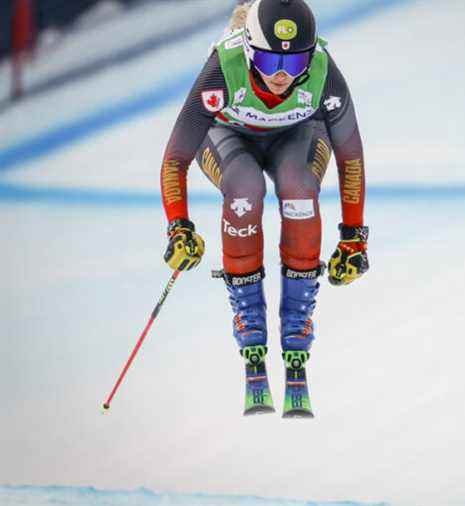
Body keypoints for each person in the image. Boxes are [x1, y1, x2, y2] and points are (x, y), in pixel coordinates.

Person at [159, 0, 368, 416]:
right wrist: (178, 226)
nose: (280, 76)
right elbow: (174, 159)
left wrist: (353, 237)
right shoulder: (223, 68)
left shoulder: (324, 72)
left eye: (294, 65)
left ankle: (298, 323)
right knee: (244, 187)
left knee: (300, 189)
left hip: (297, 135)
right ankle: (248, 320)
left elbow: (352, 159)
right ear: (251, 50)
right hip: (226, 135)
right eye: (272, 60)